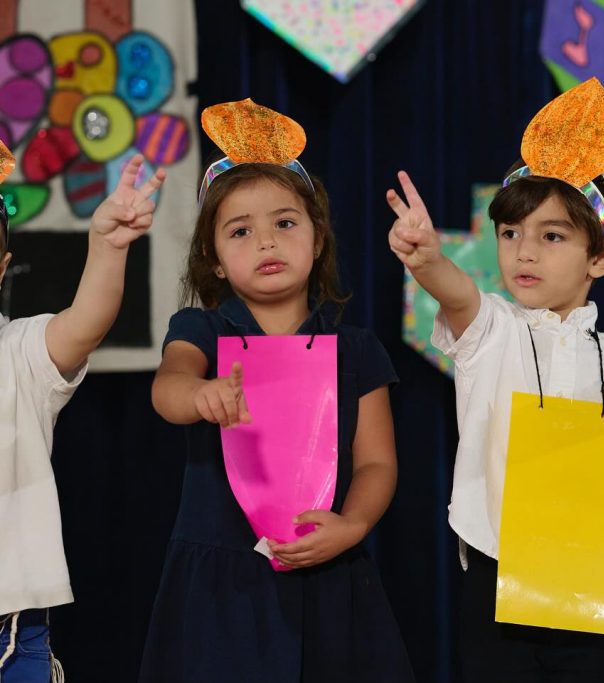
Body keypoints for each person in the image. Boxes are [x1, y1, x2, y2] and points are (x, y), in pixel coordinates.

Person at [388, 79, 604, 682]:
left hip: (591, 583)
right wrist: (427, 259)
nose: (524, 252)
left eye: (552, 237)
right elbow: (458, 294)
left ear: (601, 257)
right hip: (500, 580)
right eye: (511, 233)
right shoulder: (494, 329)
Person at [141, 100, 413, 683]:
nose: (266, 241)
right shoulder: (202, 331)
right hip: (221, 583)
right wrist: (199, 395)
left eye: (285, 223)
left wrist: (353, 526)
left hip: (328, 574)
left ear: (317, 241)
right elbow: (168, 387)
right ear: (213, 259)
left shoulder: (356, 349)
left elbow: (377, 462)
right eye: (241, 230)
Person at [0, 146, 164, 681]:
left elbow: (85, 322)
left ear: (2, 266)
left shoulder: (18, 350)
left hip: (11, 622)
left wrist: (108, 247)